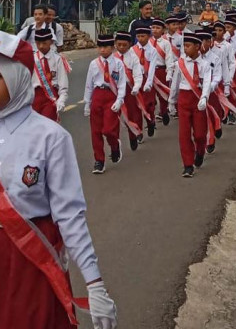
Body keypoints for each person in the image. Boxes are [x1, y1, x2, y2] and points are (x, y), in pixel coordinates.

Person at [0, 30, 117, 329]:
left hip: (30, 261)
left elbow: (70, 216)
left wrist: (94, 283)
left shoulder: (50, 137)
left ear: (15, 79)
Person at [168, 33, 211, 178]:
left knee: (199, 134)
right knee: (184, 134)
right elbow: (175, 83)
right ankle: (187, 165)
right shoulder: (180, 63)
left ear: (197, 47)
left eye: (188, 46)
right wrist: (171, 101)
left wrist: (204, 97)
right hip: (184, 99)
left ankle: (200, 151)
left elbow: (206, 83)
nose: (185, 49)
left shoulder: (205, 64)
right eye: (184, 46)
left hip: (198, 99)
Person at [84, 34, 126, 174]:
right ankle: (99, 161)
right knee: (95, 131)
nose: (102, 50)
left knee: (108, 129)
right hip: (97, 95)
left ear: (112, 48)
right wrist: (87, 104)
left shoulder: (118, 63)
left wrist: (120, 100)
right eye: (100, 47)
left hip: (111, 96)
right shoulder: (94, 64)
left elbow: (121, 84)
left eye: (105, 47)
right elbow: (89, 85)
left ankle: (114, 146)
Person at [114, 31, 144, 151]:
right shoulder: (112, 58)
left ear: (130, 44)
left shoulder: (133, 58)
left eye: (124, 45)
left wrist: (136, 87)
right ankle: (115, 145)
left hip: (129, 89)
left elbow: (137, 75)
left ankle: (133, 135)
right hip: (114, 90)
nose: (121, 47)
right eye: (119, 44)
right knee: (114, 118)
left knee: (131, 114)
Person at [196, 27, 223, 155]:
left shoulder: (214, 58)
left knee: (211, 116)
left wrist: (210, 86)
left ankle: (211, 139)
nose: (203, 44)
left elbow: (218, 75)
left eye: (206, 41)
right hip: (195, 93)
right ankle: (203, 142)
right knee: (199, 120)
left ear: (210, 41)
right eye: (200, 41)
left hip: (210, 92)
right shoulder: (191, 58)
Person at [32, 29, 68, 121]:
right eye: (38, 43)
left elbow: (62, 81)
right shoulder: (31, 58)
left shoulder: (57, 59)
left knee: (48, 123)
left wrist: (62, 98)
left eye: (44, 43)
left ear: (51, 42)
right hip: (34, 97)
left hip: (51, 96)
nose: (41, 46)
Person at [131, 26, 157, 138]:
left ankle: (151, 121)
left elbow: (152, 68)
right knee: (137, 107)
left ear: (149, 36)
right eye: (138, 36)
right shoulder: (132, 50)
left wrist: (149, 83)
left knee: (148, 105)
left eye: (143, 36)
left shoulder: (153, 50)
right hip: (136, 80)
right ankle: (139, 131)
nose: (140, 39)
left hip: (147, 79)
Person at [150, 18, 174, 126]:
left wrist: (169, 73)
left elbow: (169, 59)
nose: (155, 30)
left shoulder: (165, 43)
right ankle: (150, 119)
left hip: (161, 70)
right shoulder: (148, 42)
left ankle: (164, 112)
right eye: (153, 27)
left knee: (163, 95)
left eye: (158, 28)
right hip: (150, 72)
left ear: (163, 30)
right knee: (149, 97)